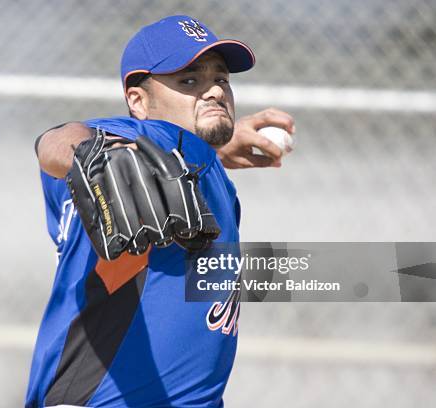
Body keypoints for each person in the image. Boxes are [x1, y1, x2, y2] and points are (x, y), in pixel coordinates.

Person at [27, 15, 294, 407]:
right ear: (138, 101)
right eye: (188, 80)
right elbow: (58, 141)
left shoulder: (205, 172)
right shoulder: (137, 144)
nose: (215, 91)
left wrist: (213, 149)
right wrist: (95, 156)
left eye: (221, 79)